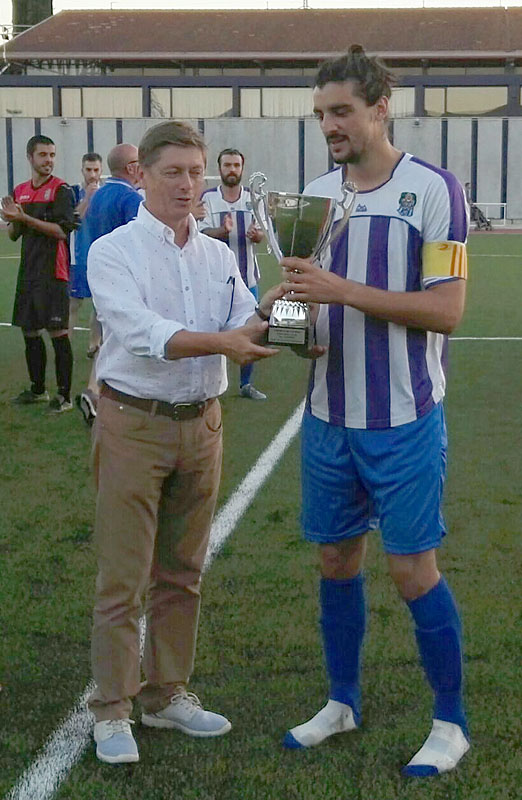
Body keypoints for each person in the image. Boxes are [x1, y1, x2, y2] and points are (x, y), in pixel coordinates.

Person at [279, 45, 470, 777]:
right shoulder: (317, 192)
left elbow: (447, 310)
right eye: (321, 113)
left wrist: (340, 290)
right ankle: (342, 700)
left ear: (380, 107)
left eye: (342, 112)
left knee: (413, 569)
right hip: (328, 414)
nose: (329, 125)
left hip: (403, 417)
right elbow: (307, 297)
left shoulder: (433, 189)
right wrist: (288, 320)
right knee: (335, 560)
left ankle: (449, 720)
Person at [86, 120, 282, 764]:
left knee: (183, 573)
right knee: (124, 577)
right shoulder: (113, 251)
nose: (189, 184)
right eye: (174, 172)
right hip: (133, 424)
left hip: (203, 424)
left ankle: (166, 693)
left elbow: (241, 320)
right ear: (141, 175)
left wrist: (277, 306)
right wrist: (227, 342)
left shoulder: (218, 255)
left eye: (196, 172)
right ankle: (113, 708)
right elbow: (143, 330)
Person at [1, 135, 76, 412]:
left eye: (52, 155)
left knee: (58, 332)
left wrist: (24, 218)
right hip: (28, 272)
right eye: (43, 155)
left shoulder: (61, 190)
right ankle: (37, 390)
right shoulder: (20, 191)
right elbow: (12, 236)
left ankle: (65, 396)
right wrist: (12, 220)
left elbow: (61, 231)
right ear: (30, 157)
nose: (49, 161)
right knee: (30, 331)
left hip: (52, 273)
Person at [75, 143, 142, 426]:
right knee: (126, 338)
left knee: (108, 334)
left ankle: (95, 392)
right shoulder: (131, 199)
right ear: (131, 168)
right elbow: (140, 242)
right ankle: (103, 393)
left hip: (100, 272)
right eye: (139, 162)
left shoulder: (98, 195)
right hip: (124, 277)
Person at [200, 148, 267, 400]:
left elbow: (263, 234)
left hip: (247, 278)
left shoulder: (254, 199)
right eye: (227, 165)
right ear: (220, 169)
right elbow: (201, 234)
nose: (231, 170)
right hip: (214, 280)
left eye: (236, 165)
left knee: (251, 329)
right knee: (210, 330)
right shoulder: (208, 199)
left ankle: (246, 384)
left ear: (242, 168)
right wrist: (222, 231)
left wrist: (256, 235)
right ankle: (209, 385)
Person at [68, 152, 103, 357]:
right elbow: (73, 219)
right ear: (82, 170)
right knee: (74, 303)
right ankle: (65, 346)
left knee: (99, 304)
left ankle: (94, 344)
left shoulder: (106, 193)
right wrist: (88, 198)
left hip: (101, 256)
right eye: (88, 170)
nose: (92, 174)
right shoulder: (73, 192)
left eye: (96, 170)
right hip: (78, 255)